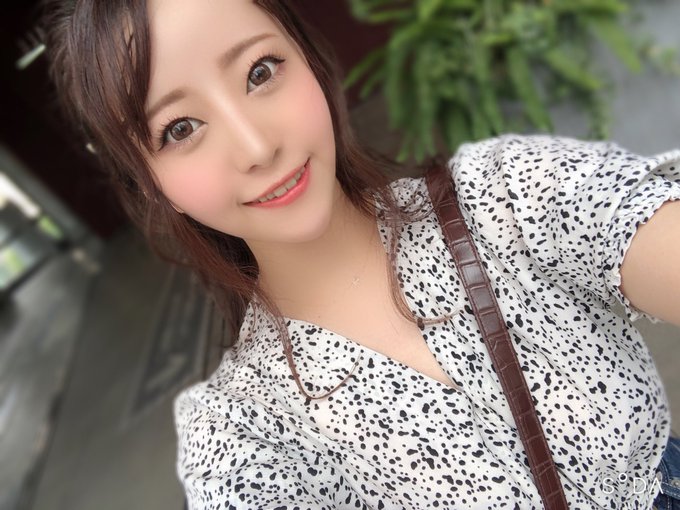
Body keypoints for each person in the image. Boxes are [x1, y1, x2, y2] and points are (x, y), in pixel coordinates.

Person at [44, 0, 680, 508]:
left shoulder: (503, 197)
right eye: (180, 128)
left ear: (309, 60)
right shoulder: (243, 431)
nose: (256, 147)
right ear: (152, 185)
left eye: (260, 72)